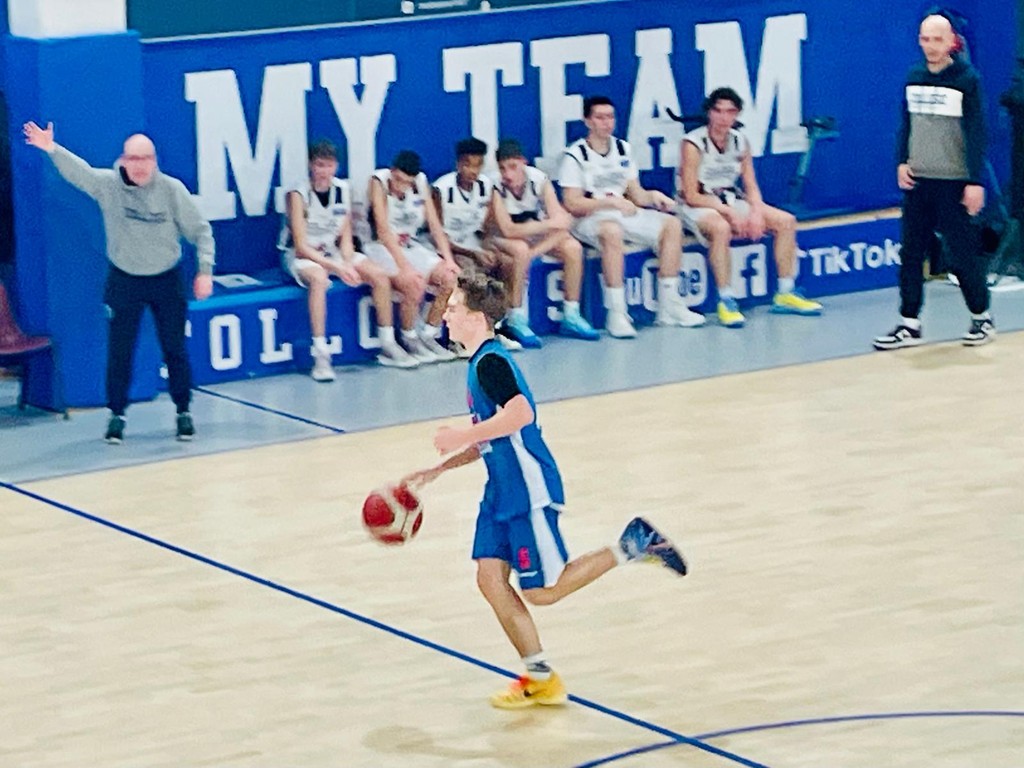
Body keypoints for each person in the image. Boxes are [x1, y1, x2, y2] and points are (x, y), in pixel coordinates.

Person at [403, 271, 687, 709]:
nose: (445, 316)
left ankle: (632, 545)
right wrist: (438, 469)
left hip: (527, 489)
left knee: (542, 591)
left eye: (453, 309)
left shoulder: (492, 363)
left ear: (476, 319)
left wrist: (460, 435)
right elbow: (491, 435)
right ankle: (539, 677)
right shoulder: (479, 362)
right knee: (489, 578)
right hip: (500, 490)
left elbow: (520, 414)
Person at [23, 121, 214, 444]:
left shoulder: (172, 190)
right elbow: (80, 174)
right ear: (123, 160)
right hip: (125, 279)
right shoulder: (109, 186)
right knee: (120, 351)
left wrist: (205, 270)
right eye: (133, 159)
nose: (139, 166)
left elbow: (201, 231)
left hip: (166, 279)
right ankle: (117, 415)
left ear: (155, 161)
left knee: (174, 349)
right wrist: (52, 149)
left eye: (145, 159)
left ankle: (183, 411)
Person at [873, 13, 994, 349]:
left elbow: (976, 132)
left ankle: (981, 317)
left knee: (962, 252)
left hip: (953, 182)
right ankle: (909, 323)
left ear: (951, 41)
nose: (930, 46)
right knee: (911, 253)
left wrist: (974, 181)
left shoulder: (967, 79)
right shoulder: (914, 76)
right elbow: (906, 124)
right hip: (918, 182)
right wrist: (902, 161)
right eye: (925, 39)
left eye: (937, 40)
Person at [559, 95, 705, 339]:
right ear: (587, 121)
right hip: (589, 217)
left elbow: (636, 194)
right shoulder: (575, 155)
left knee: (671, 225)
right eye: (600, 117)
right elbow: (572, 203)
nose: (606, 122)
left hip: (622, 210)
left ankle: (669, 306)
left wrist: (653, 196)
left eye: (610, 117)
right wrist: (608, 202)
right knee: (612, 231)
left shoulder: (622, 149)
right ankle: (616, 313)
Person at [677, 87, 823, 329]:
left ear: (737, 114)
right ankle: (726, 300)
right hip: (697, 204)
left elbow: (751, 185)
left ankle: (785, 293)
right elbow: (691, 195)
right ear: (709, 113)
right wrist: (729, 212)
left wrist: (755, 211)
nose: (723, 118)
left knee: (786, 221)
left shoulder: (740, 141)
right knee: (721, 228)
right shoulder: (693, 143)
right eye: (718, 111)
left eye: (730, 112)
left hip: (730, 199)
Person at [280, 140, 418, 381]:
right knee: (319, 279)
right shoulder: (297, 194)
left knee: (379, 275)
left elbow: (345, 236)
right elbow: (301, 246)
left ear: (336, 166)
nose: (324, 171)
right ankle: (321, 355)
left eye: (329, 165)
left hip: (332, 251)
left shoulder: (343, 189)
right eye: (319, 165)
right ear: (311, 165)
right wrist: (336, 267)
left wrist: (347, 263)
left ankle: (388, 342)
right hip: (301, 254)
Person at [490, 138, 600, 341]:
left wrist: (535, 251)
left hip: (530, 234)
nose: (508, 174)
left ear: (523, 162)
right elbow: (508, 229)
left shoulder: (539, 180)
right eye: (503, 168)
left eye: (513, 167)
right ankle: (516, 317)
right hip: (497, 237)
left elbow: (564, 224)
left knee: (572, 247)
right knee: (520, 249)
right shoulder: (493, 185)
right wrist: (548, 225)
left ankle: (571, 314)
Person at [432, 137, 533, 349]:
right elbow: (437, 236)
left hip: (474, 244)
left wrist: (487, 249)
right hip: (449, 248)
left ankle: (500, 326)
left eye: (478, 165)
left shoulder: (486, 186)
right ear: (459, 164)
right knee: (470, 272)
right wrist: (473, 253)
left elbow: (486, 229)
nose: (473, 170)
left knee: (507, 263)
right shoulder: (441, 189)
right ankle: (459, 339)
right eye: (468, 165)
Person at [364, 150, 459, 362]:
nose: (401, 186)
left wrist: (449, 259)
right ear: (392, 172)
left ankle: (428, 335)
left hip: (410, 245)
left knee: (451, 277)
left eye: (407, 182)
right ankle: (409, 338)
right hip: (380, 247)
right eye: (398, 180)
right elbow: (383, 231)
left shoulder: (421, 182)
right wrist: (405, 266)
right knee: (414, 282)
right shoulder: (378, 182)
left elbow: (434, 225)